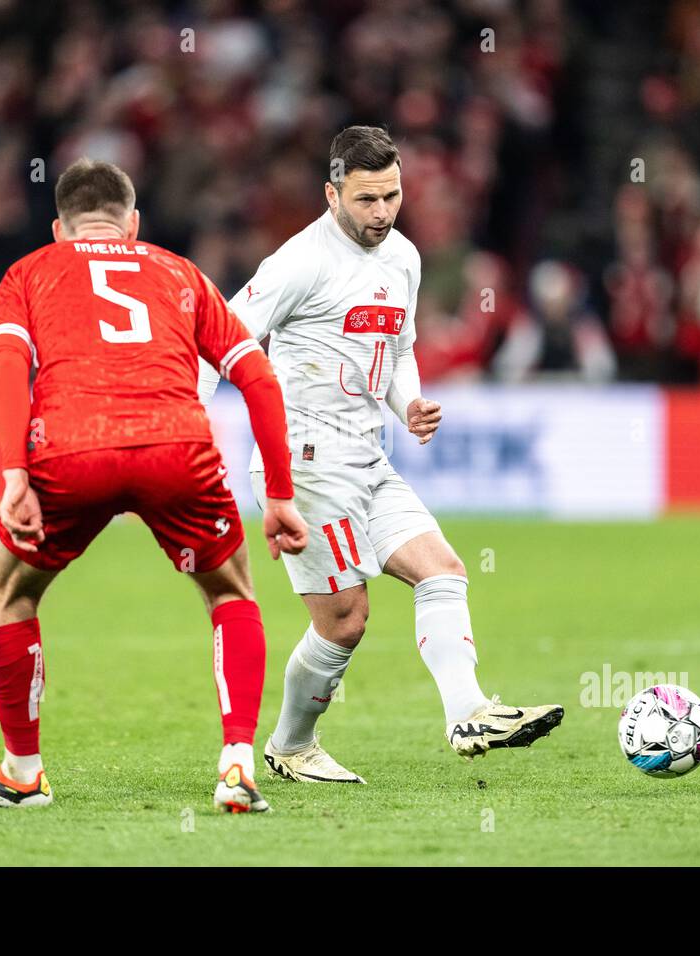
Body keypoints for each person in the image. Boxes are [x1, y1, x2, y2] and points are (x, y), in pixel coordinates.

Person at [201, 127, 561, 784]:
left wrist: (410, 403)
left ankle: (469, 712)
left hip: (369, 455)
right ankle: (290, 745)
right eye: (367, 199)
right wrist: (186, 423)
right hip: (305, 464)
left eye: (392, 196)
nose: (382, 212)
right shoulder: (298, 262)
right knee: (345, 623)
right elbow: (219, 338)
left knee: (443, 570)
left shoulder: (404, 259)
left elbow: (397, 349)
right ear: (332, 193)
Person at [0, 158, 307, 813]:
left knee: (11, 592)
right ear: (132, 224)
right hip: (177, 447)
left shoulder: (30, 271)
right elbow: (258, 378)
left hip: (69, 448)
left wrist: (13, 476)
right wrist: (279, 494)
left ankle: (23, 773)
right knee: (230, 591)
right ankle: (236, 766)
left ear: (60, 227)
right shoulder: (179, 272)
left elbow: (7, 365)